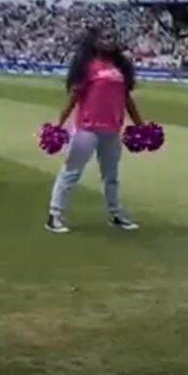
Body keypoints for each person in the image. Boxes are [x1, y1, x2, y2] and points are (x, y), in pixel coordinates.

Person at [45, 27, 144, 234]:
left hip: (112, 128)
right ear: (94, 42)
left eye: (112, 36)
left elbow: (127, 99)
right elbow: (73, 98)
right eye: (105, 37)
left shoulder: (120, 67)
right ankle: (54, 215)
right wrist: (59, 125)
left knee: (111, 175)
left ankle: (116, 213)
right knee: (72, 172)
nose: (110, 40)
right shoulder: (87, 67)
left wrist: (140, 124)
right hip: (87, 129)